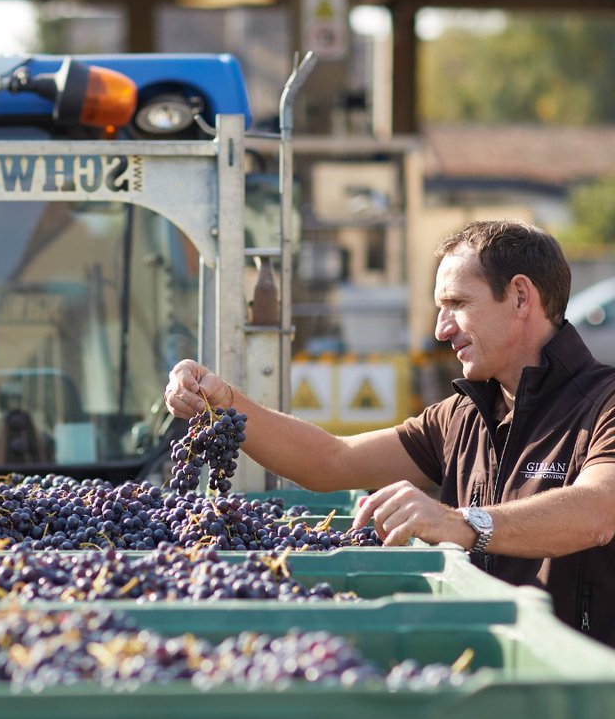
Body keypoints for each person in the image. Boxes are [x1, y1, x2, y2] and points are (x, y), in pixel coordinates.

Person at [166, 219, 615, 646]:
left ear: (520, 297)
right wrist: (225, 401)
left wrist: (461, 523)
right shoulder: (459, 417)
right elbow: (331, 462)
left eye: (457, 304)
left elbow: (598, 511)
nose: (441, 330)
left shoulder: (605, 405)